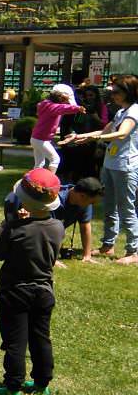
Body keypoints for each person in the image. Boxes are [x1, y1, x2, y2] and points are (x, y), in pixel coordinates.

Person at [0, 168, 65, 395]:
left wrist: (11, 226)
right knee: (41, 337)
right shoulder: (58, 227)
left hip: (16, 291)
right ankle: (42, 383)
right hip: (44, 291)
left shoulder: (16, 228)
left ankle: (13, 386)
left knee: (15, 340)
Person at [60, 74, 138, 264]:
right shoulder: (121, 111)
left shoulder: (134, 111)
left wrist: (96, 139)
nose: (113, 95)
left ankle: (133, 252)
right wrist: (79, 137)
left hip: (125, 166)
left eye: (117, 92)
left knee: (126, 208)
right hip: (111, 164)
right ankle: (108, 245)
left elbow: (121, 134)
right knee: (109, 206)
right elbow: (104, 132)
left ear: (128, 92)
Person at [0, 176, 104, 263]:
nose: (93, 205)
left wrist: (87, 255)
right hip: (16, 202)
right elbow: (43, 231)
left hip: (36, 220)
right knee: (15, 238)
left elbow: (85, 228)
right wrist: (52, 259)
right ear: (82, 196)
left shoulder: (84, 204)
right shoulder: (53, 200)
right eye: (92, 202)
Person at [30, 84, 85, 172]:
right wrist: (77, 108)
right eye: (66, 100)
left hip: (36, 138)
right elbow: (62, 108)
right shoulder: (52, 107)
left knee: (39, 163)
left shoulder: (45, 104)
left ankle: (34, 182)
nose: (67, 103)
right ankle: (50, 182)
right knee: (55, 159)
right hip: (41, 140)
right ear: (61, 98)